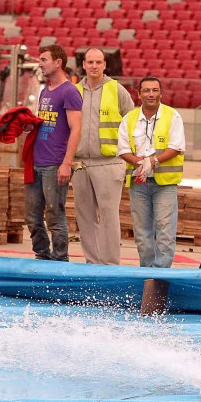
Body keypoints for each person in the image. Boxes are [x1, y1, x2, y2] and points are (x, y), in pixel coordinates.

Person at [72, 47, 135, 265]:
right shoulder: (74, 90)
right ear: (83, 65)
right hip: (80, 163)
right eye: (90, 62)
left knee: (109, 215)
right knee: (85, 216)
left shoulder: (117, 90)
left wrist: (129, 157)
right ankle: (92, 262)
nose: (94, 66)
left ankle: (110, 265)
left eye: (98, 62)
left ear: (105, 65)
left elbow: (132, 121)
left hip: (109, 161)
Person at [118, 76, 185, 268]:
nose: (151, 94)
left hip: (165, 183)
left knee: (165, 230)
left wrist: (153, 161)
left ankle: (160, 274)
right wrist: (140, 162)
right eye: (146, 90)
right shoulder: (129, 118)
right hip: (138, 183)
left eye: (155, 90)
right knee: (141, 232)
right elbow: (123, 149)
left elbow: (177, 146)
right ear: (139, 94)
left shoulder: (173, 116)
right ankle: (146, 272)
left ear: (161, 94)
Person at [27, 44, 82, 262]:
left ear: (58, 62)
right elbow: (47, 123)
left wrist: (66, 163)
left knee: (54, 214)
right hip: (36, 161)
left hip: (54, 163)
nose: (40, 63)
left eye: (43, 59)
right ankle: (42, 254)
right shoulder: (44, 91)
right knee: (32, 216)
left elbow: (75, 128)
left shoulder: (70, 91)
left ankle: (60, 260)